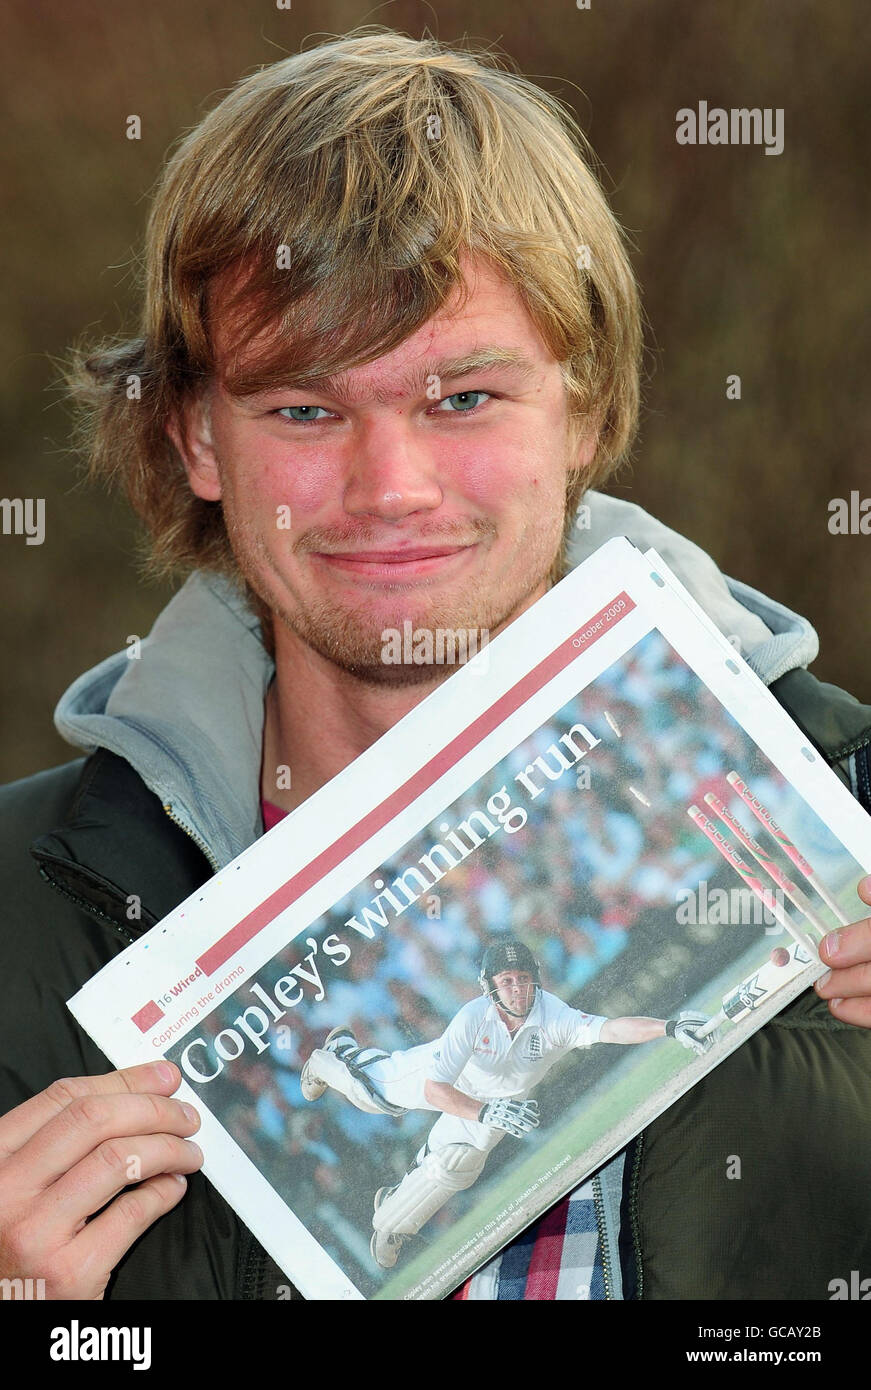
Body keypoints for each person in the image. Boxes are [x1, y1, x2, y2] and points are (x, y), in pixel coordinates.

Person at [1, 28, 871, 1302]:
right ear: (195, 438)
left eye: (462, 398)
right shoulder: (21, 917)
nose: (388, 489)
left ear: (581, 408)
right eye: (305, 408)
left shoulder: (851, 810)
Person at [299, 937, 712, 1269]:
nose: (516, 989)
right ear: (490, 986)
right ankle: (333, 1056)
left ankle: (392, 1217)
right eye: (506, 981)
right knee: (376, 1098)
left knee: (456, 1165)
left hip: (497, 1101)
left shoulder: (555, 1016)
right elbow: (433, 1091)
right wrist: (483, 1111)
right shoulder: (472, 1017)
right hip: (443, 1077)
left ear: (535, 980)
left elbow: (612, 1029)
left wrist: (670, 1027)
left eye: (522, 978)